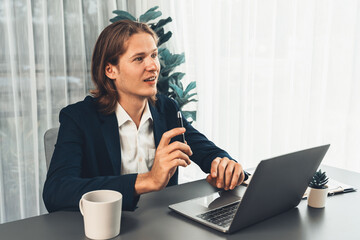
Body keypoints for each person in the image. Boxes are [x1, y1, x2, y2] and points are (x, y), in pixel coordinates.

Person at [43, 20, 247, 212]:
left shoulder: (166, 109)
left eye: (154, 55)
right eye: (139, 58)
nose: (153, 66)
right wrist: (147, 180)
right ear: (110, 70)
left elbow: (207, 151)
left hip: (160, 225)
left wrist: (225, 165)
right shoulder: (79, 118)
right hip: (109, 229)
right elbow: (56, 191)